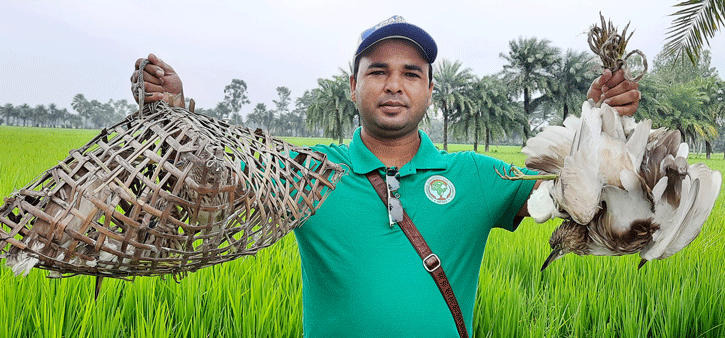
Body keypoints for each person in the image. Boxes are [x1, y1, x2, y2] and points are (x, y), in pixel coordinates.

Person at [131, 15, 640, 338]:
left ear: (430, 90)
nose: (394, 84)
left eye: (411, 73)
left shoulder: (476, 176)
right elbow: (211, 172)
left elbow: (574, 190)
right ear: (353, 86)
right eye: (378, 71)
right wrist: (176, 114)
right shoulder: (309, 172)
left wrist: (603, 122)